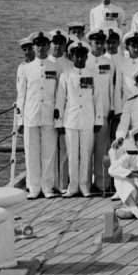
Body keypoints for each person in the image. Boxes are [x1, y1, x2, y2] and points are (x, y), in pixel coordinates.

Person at [55, 41, 104, 197]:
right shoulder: (66, 75)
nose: (79, 58)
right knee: (72, 154)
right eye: (76, 55)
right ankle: (73, 186)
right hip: (71, 120)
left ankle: (84, 186)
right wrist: (59, 122)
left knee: (86, 154)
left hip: (88, 120)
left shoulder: (93, 74)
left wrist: (98, 121)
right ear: (71, 57)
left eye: (82, 55)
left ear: (86, 56)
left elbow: (98, 99)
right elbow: (60, 100)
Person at [18, 32, 60, 198]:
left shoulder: (56, 67)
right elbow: (21, 95)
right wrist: (20, 120)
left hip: (49, 115)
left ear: (48, 46)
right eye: (38, 45)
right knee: (31, 153)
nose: (41, 48)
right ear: (33, 47)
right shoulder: (26, 69)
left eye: (44, 44)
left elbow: (59, 93)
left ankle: (47, 188)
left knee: (48, 153)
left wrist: (59, 116)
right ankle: (34, 188)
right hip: (31, 116)